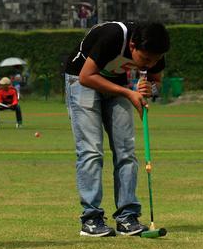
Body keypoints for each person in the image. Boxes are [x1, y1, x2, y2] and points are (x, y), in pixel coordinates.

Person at [64, 20, 170, 237]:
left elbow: (156, 81)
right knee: (91, 150)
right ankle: (91, 219)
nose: (149, 65)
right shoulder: (113, 36)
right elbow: (87, 76)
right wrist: (129, 92)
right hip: (80, 79)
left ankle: (127, 217)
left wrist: (150, 88)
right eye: (145, 60)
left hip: (116, 83)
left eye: (155, 60)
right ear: (132, 46)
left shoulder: (154, 48)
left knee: (126, 151)